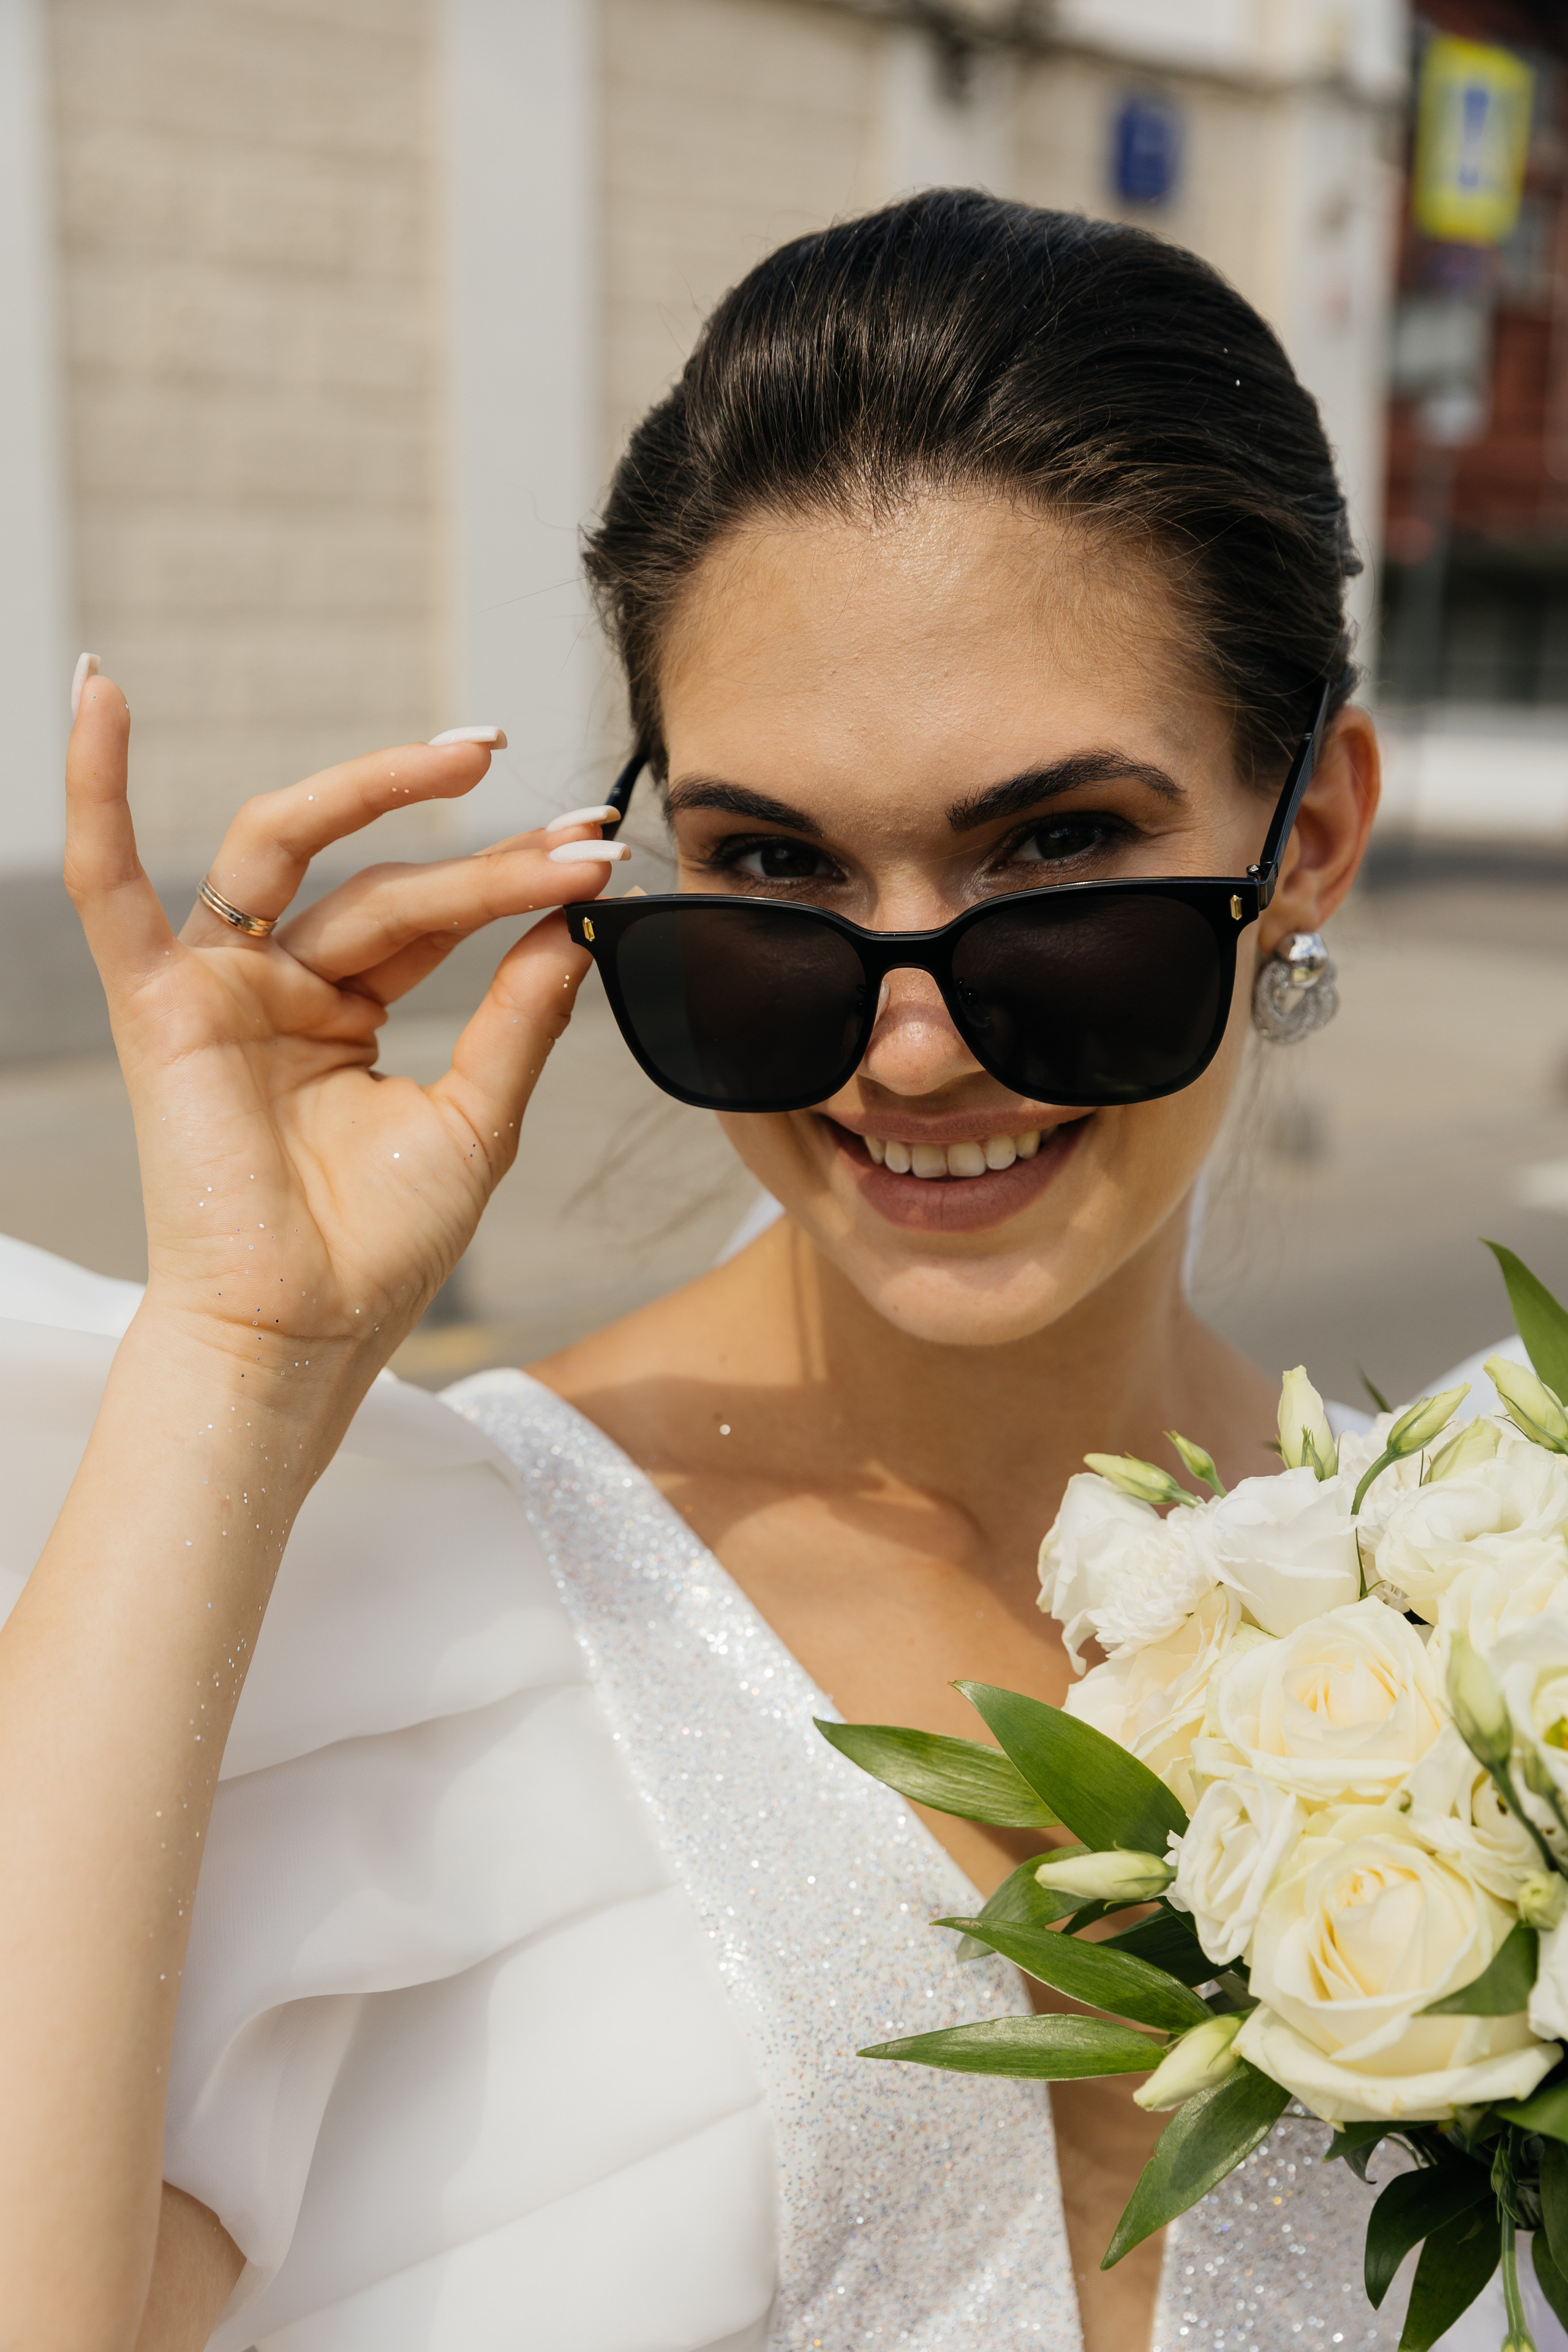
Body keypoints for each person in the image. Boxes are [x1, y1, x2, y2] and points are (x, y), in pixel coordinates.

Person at [0, 192, 1400, 2352]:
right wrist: (239, 1354)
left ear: (1304, 836)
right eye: (773, 875)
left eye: (1056, 859)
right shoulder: (417, 1631)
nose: (908, 1038)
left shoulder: (1487, 1635)